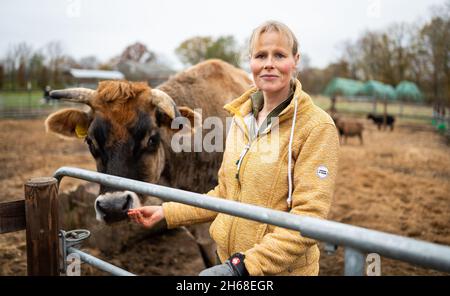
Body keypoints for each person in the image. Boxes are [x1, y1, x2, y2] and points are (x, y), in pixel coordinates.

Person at [128, 21, 339, 276]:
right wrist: (166, 211)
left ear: (295, 60)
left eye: (279, 55)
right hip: (229, 261)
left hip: (275, 271)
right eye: (261, 55)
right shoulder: (241, 119)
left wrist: (244, 267)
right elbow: (226, 193)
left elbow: (309, 219)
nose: (269, 63)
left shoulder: (316, 127)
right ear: (250, 61)